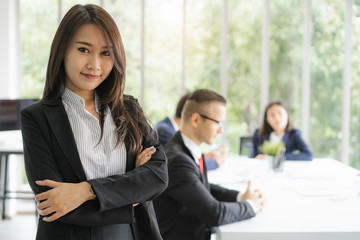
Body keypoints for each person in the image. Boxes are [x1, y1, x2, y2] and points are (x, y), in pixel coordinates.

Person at [20, 4, 168, 240]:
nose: (95, 65)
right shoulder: (36, 118)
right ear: (62, 51)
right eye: (83, 50)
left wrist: (86, 191)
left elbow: (158, 176)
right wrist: (132, 195)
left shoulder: (130, 109)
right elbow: (54, 203)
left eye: (106, 53)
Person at [153, 89, 264, 240]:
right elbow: (214, 213)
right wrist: (251, 205)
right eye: (218, 122)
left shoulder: (187, 147)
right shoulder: (178, 160)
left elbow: (203, 187)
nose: (221, 130)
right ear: (196, 120)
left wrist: (239, 197)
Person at [155, 93, 227, 170]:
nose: (221, 130)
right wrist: (216, 162)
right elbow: (182, 162)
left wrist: (204, 156)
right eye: (218, 123)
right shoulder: (164, 131)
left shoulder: (167, 127)